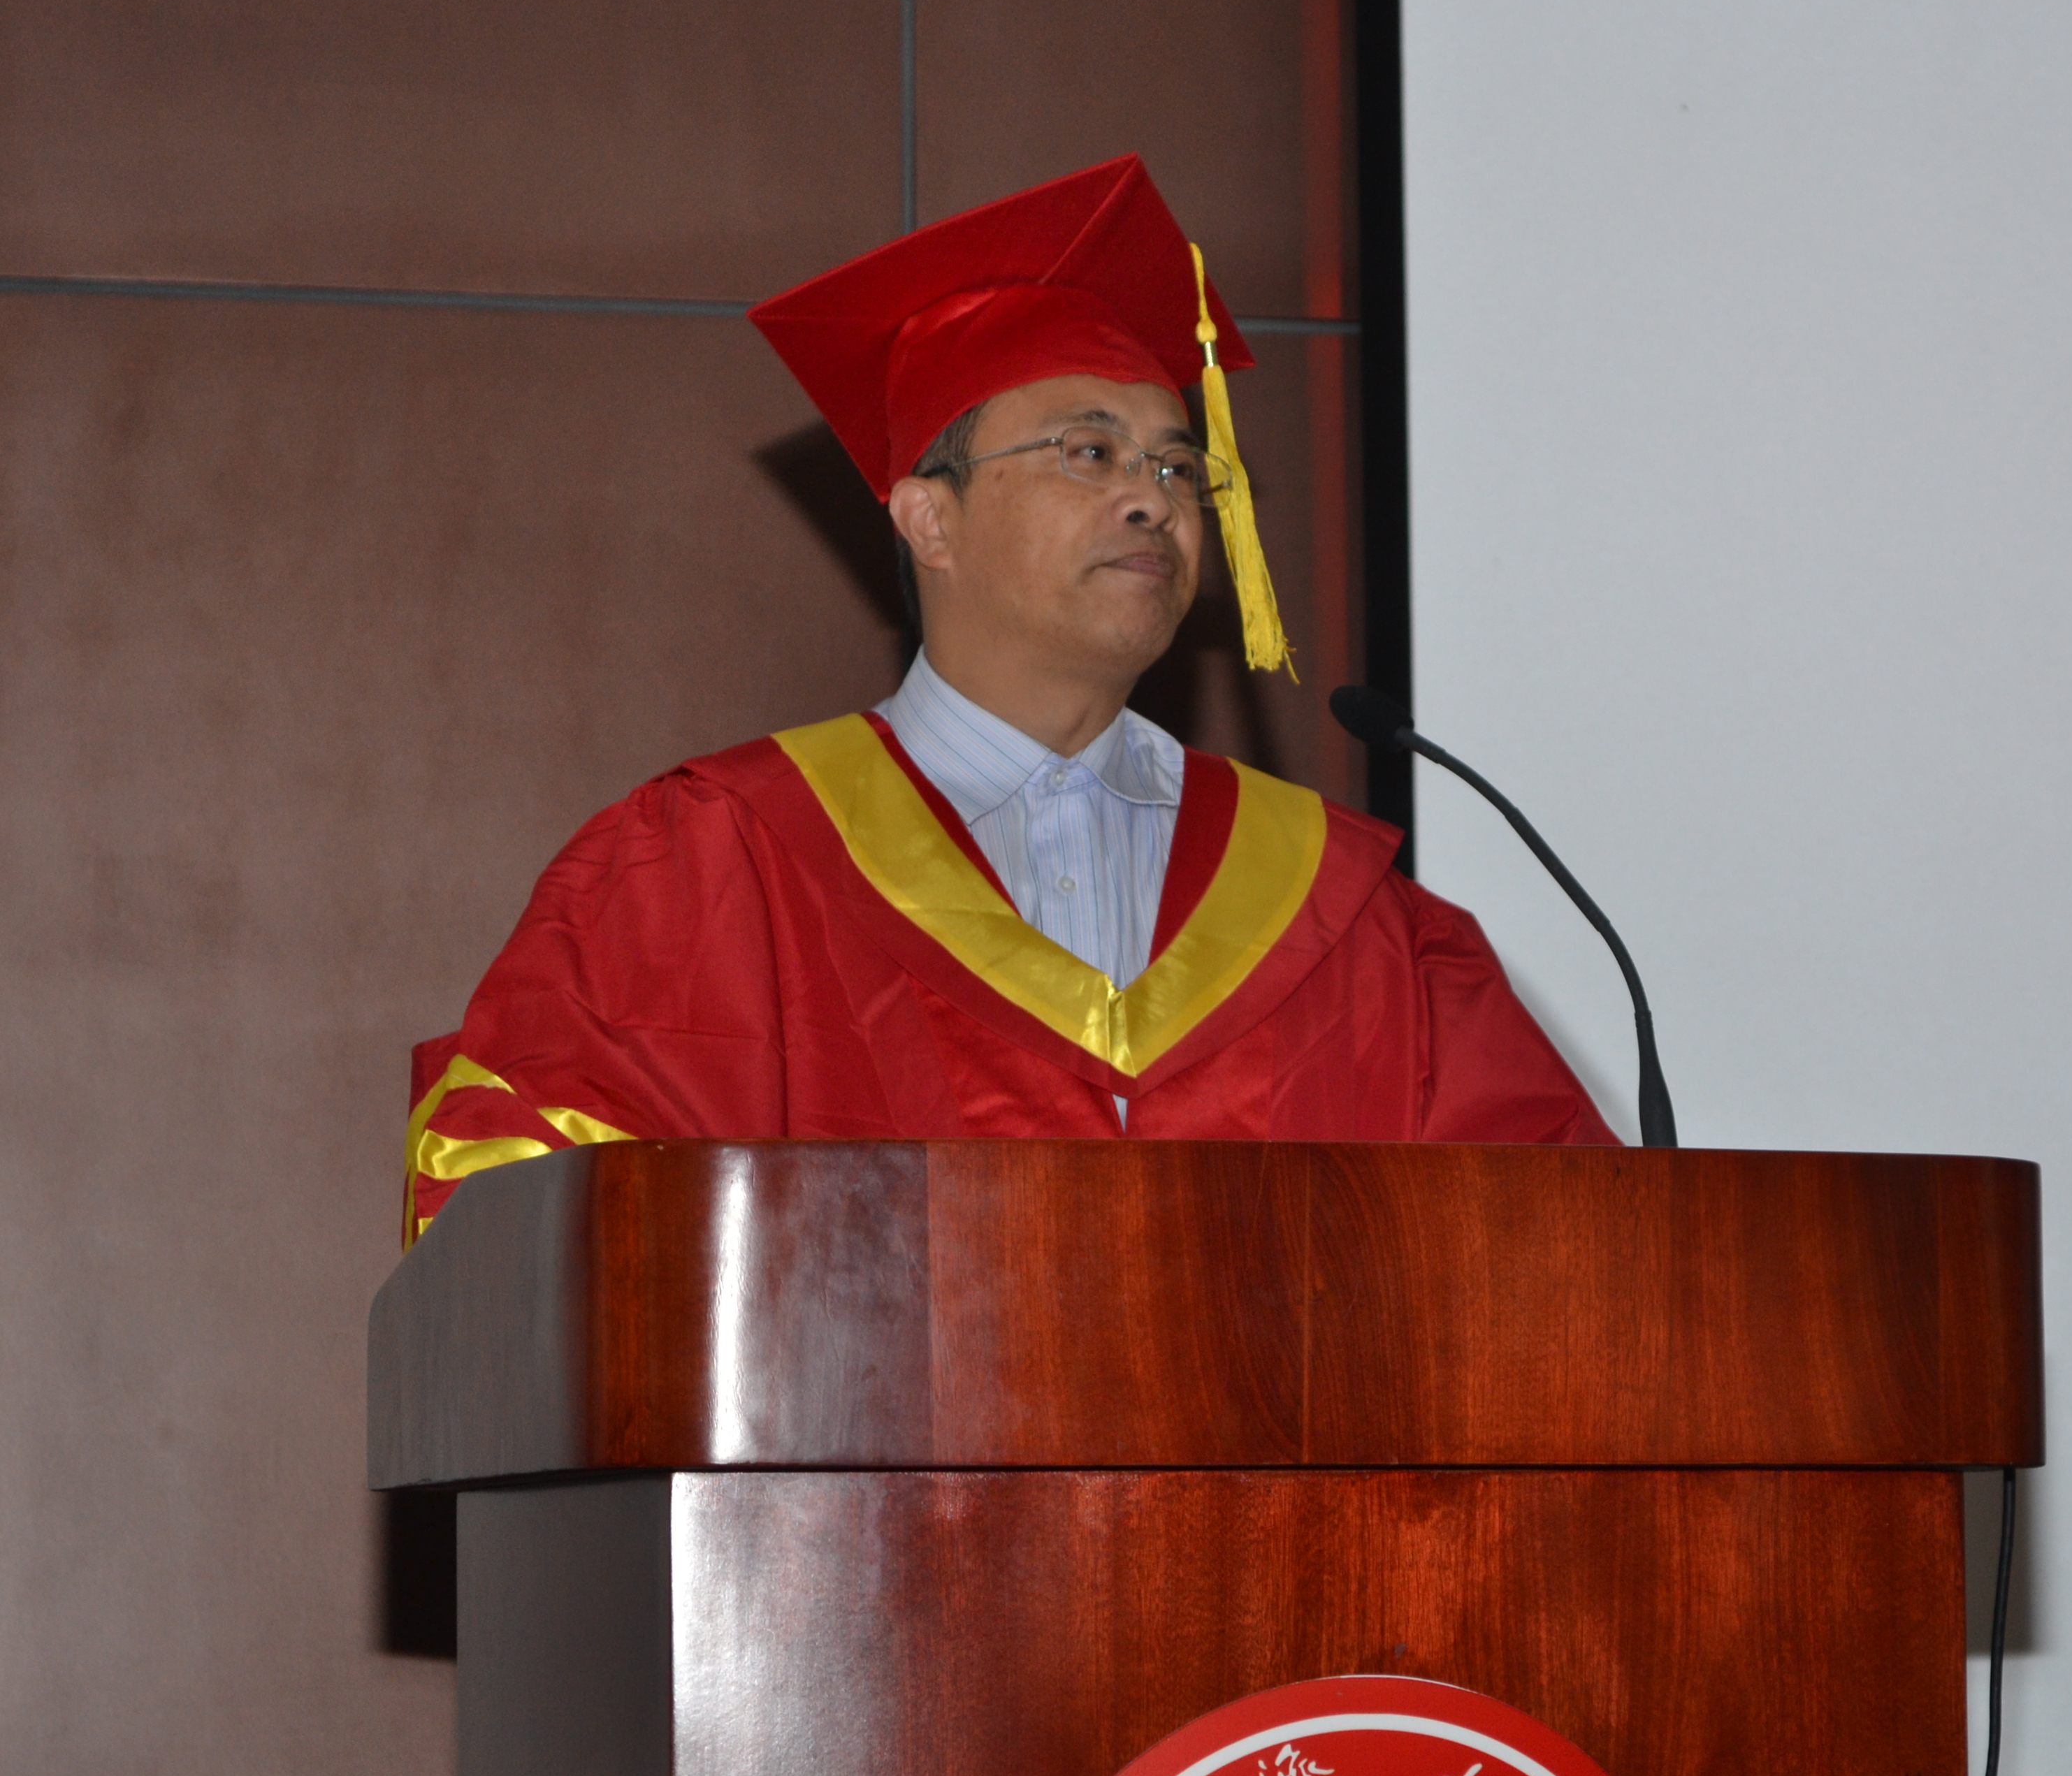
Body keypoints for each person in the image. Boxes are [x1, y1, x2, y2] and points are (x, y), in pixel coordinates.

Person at [402, 157, 1610, 1244]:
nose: (1153, 498)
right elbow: (516, 1214)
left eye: (1178, 465)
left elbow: (1571, 1242)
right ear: (930, 519)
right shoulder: (716, 866)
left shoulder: (1357, 920)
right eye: (1090, 452)